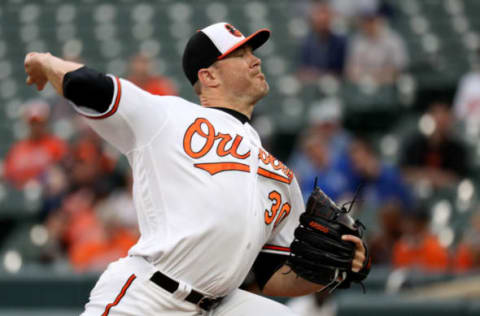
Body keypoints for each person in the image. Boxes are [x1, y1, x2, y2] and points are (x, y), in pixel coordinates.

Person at [24, 22, 366, 315]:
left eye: (252, 52)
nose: (255, 60)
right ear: (209, 75)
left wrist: (338, 270)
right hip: (149, 296)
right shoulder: (169, 116)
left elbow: (271, 273)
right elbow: (91, 86)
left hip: (217, 305)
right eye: (241, 54)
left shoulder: (281, 176)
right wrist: (46, 61)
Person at [400, 101, 470, 189]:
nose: (439, 121)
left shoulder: (458, 149)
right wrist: (432, 176)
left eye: (444, 116)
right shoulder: (414, 145)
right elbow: (405, 174)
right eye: (436, 114)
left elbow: (458, 179)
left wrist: (427, 176)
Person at [4, 100, 68, 189]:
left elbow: (62, 172)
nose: (36, 126)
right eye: (33, 122)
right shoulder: (18, 148)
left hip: (47, 194)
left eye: (39, 122)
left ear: (45, 122)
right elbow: (9, 175)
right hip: (22, 192)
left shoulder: (56, 144)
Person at [345, 9, 408, 86]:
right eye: (367, 21)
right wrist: (367, 78)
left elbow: (398, 68)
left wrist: (377, 78)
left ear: (380, 21)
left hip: (390, 84)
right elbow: (352, 70)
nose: (370, 25)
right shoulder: (358, 41)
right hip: (363, 84)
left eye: (372, 21)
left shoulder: (393, 39)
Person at [296, 1, 348, 82]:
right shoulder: (307, 42)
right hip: (311, 84)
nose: (322, 19)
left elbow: (342, 71)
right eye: (319, 16)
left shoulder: (340, 42)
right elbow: (302, 69)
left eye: (325, 16)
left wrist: (319, 75)